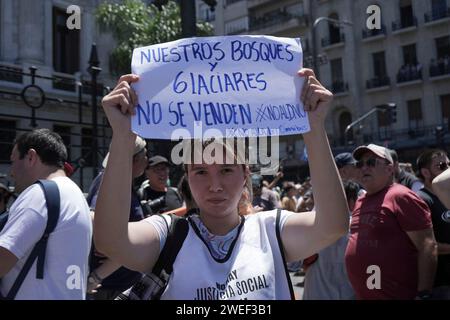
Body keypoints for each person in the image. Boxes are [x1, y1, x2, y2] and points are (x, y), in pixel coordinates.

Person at [93, 69, 349, 300]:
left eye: (226, 170)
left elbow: (332, 226)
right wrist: (122, 137)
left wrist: (314, 128)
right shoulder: (168, 235)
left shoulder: (270, 231)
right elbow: (111, 241)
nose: (215, 185)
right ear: (187, 177)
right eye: (201, 171)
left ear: (245, 174)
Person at [0, 129, 92, 299]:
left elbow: (2, 258)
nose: (11, 172)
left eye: (13, 161)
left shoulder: (39, 194)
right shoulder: (75, 193)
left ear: (30, 157)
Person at [345, 144, 437, 300]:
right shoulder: (361, 200)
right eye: (360, 164)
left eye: (371, 162)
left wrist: (423, 294)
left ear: (390, 168)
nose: (364, 168)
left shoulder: (400, 196)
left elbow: (427, 245)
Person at [87, 135, 148, 300]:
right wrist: (97, 276)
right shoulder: (109, 181)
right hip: (110, 287)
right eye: (145, 155)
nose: (147, 160)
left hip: (121, 284)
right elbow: (93, 217)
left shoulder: (121, 181)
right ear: (134, 160)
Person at [303, 180, 358, 300]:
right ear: (353, 201)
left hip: (315, 294)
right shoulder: (360, 230)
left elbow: (293, 264)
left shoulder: (312, 225)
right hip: (347, 295)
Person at [416, 149, 450, 298]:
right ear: (426, 172)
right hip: (441, 283)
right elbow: (425, 245)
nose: (447, 169)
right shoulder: (422, 200)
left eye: (449, 164)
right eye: (441, 166)